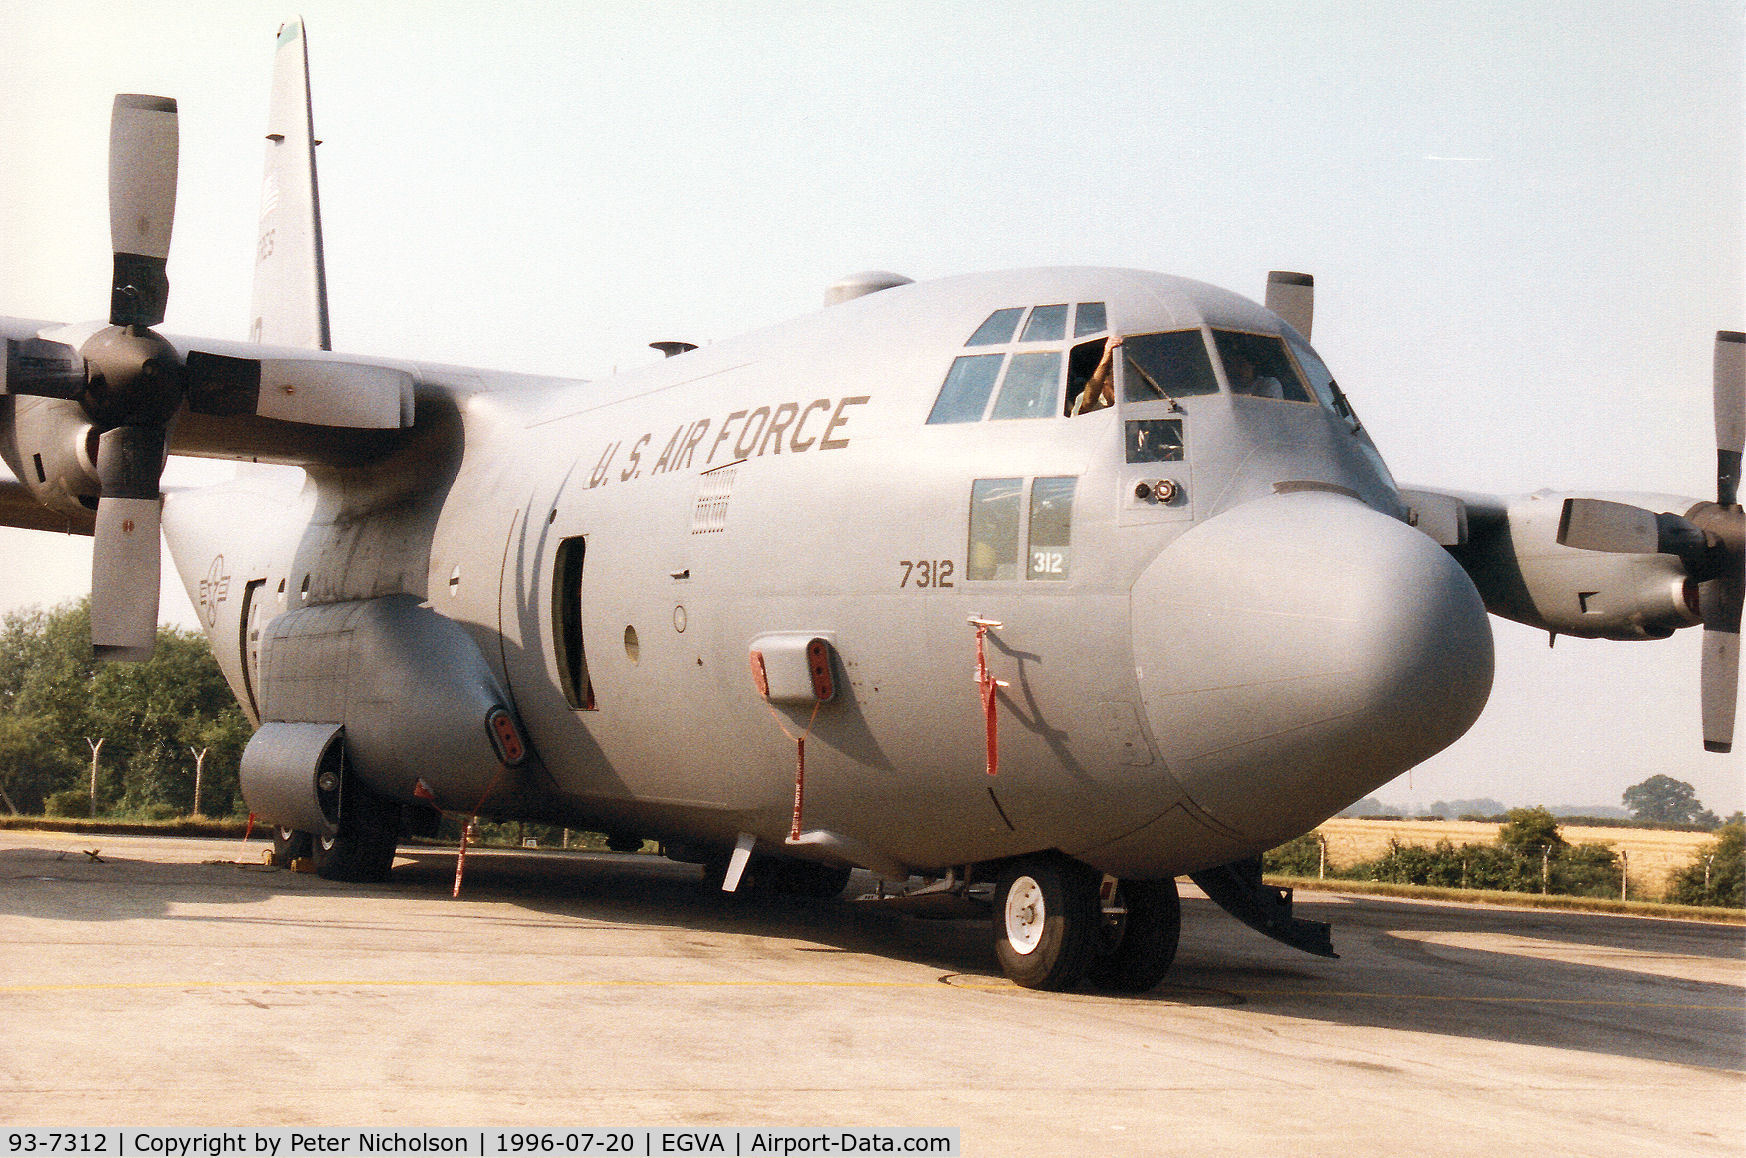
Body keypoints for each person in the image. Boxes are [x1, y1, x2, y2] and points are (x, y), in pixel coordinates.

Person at [1070, 335, 1122, 415]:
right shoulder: (1087, 398)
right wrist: (1106, 356)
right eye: (1112, 371)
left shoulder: (1131, 398)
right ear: (1105, 377)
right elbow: (1088, 402)